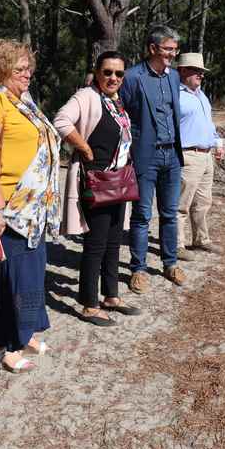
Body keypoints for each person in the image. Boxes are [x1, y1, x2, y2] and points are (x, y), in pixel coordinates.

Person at [0, 39, 61, 373]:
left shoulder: (25, 103)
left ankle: (25, 331)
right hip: (2, 207)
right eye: (20, 68)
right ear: (0, 69)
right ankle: (3, 345)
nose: (28, 74)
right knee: (4, 279)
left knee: (30, 275)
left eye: (29, 68)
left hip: (31, 209)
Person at [54, 51, 140, 327]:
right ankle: (89, 304)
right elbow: (61, 121)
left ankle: (111, 295)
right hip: (97, 182)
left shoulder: (116, 100)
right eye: (108, 72)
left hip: (119, 181)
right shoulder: (87, 96)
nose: (113, 78)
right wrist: (84, 146)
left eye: (118, 74)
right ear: (97, 72)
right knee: (96, 243)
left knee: (114, 240)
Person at [120, 25, 186, 294]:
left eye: (175, 49)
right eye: (168, 49)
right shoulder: (132, 77)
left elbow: (173, 113)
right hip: (146, 155)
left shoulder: (173, 78)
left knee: (170, 213)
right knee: (142, 215)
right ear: (152, 49)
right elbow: (122, 116)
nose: (172, 54)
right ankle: (138, 268)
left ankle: (170, 264)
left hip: (172, 154)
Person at [175, 53, 225, 262]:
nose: (201, 76)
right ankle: (176, 245)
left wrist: (218, 144)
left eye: (202, 72)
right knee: (180, 204)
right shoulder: (175, 95)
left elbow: (209, 125)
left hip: (206, 157)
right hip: (187, 156)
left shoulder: (201, 95)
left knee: (203, 202)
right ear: (183, 70)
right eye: (197, 71)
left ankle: (201, 239)